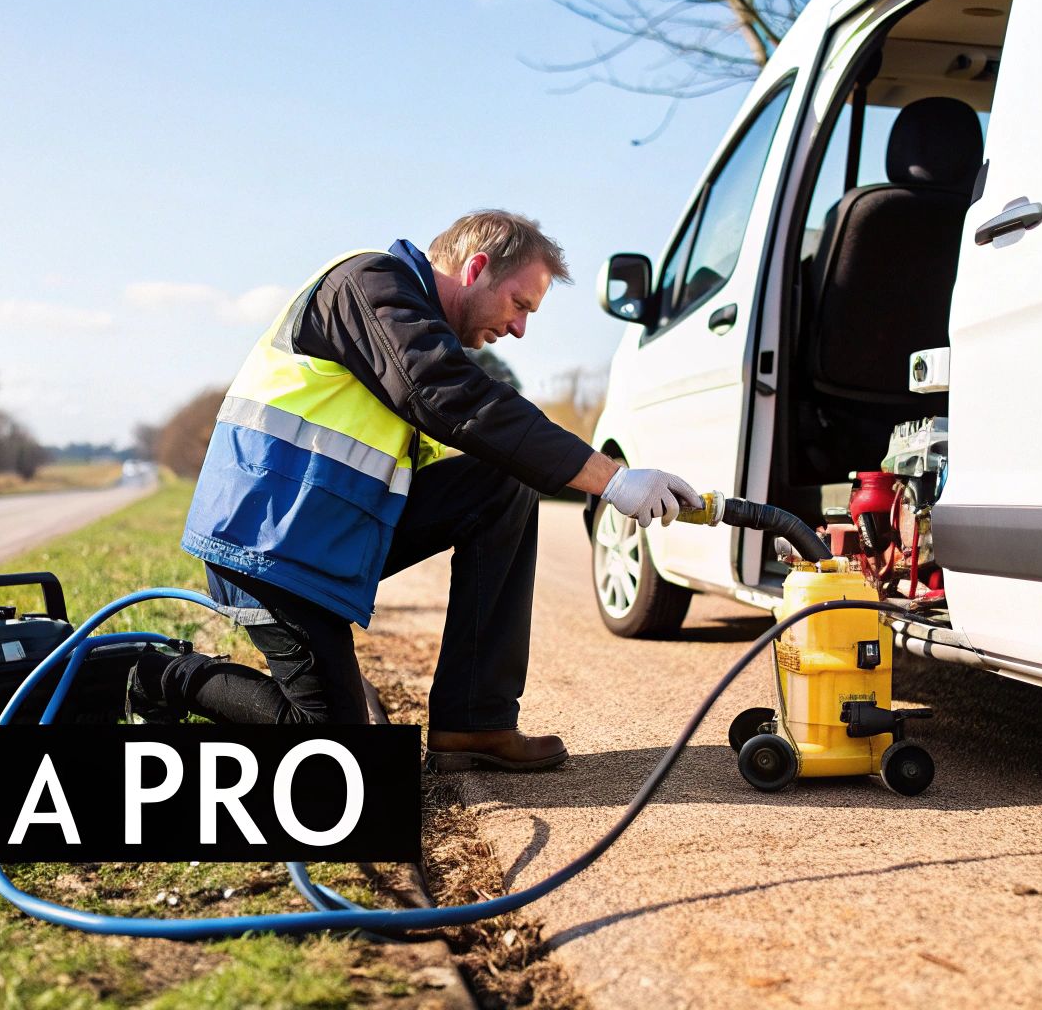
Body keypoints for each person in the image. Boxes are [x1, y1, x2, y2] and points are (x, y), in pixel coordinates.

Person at [140, 210, 698, 771]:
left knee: (503, 483)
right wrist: (612, 478)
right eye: (520, 305)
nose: (521, 328)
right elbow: (448, 395)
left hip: (328, 534)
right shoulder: (368, 286)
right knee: (335, 755)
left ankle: (474, 724)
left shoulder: (414, 324)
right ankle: (163, 674)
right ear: (476, 268)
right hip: (267, 544)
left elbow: (474, 432)